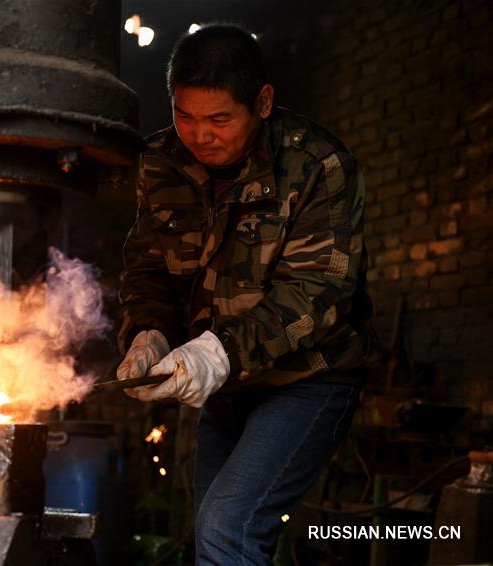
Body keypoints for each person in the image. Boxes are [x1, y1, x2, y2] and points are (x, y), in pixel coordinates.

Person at [116, 23, 376, 564]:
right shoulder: (159, 163)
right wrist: (149, 332)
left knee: (228, 529)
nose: (198, 135)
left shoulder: (316, 166)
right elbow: (148, 268)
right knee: (211, 531)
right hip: (230, 387)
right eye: (184, 116)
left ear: (262, 102)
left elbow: (318, 292)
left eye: (218, 119)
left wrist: (217, 352)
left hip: (309, 378)